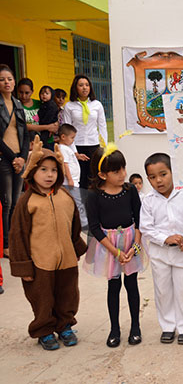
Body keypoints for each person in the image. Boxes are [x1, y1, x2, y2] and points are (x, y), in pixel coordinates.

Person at [8, 136, 86, 350]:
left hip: (66, 260)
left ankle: (65, 325)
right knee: (42, 298)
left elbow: (74, 227)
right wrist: (23, 265)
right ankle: (44, 329)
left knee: (68, 293)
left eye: (53, 170)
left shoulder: (65, 197)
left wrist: (76, 249)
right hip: (40, 262)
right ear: (32, 170)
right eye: (43, 169)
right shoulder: (27, 201)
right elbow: (18, 235)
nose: (49, 175)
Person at [84, 145, 147, 348]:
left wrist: (134, 247)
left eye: (123, 168)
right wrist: (116, 252)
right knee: (113, 286)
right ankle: (114, 329)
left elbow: (139, 219)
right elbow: (94, 226)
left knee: (132, 284)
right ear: (102, 174)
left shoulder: (129, 190)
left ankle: (135, 327)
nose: (123, 174)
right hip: (108, 245)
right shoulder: (94, 195)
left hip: (131, 241)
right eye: (116, 171)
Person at [140, 153, 183, 345]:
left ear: (173, 171)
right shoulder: (148, 200)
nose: (158, 180)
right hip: (159, 254)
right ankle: (168, 326)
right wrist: (165, 239)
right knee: (163, 290)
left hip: (182, 252)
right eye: (152, 177)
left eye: (163, 174)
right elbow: (146, 228)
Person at [1, 65, 29, 263]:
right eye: (2, 79)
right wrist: (13, 157)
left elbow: (25, 133)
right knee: (7, 202)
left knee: (17, 202)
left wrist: (23, 157)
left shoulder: (18, 104)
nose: (7, 83)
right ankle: (6, 244)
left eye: (9, 79)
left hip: (19, 158)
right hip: (4, 158)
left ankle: (14, 240)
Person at [63, 74, 108, 190]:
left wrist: (104, 147)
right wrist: (74, 152)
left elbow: (102, 126)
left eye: (87, 85)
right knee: (80, 178)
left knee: (95, 177)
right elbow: (67, 128)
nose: (84, 88)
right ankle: (81, 205)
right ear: (75, 88)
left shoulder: (97, 105)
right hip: (77, 146)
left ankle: (94, 204)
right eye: (81, 85)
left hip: (94, 146)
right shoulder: (69, 106)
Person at [58, 124, 87, 230]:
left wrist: (77, 156)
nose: (73, 140)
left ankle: (80, 221)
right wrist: (69, 179)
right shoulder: (62, 149)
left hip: (74, 181)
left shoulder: (66, 148)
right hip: (70, 182)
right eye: (72, 138)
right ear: (63, 137)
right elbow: (65, 164)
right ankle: (84, 222)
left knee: (77, 201)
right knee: (78, 201)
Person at [37, 86, 58, 150]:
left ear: (51, 95)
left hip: (48, 126)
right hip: (45, 126)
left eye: (47, 93)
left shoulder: (51, 105)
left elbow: (48, 118)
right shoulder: (43, 104)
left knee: (43, 142)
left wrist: (44, 125)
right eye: (42, 93)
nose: (44, 95)